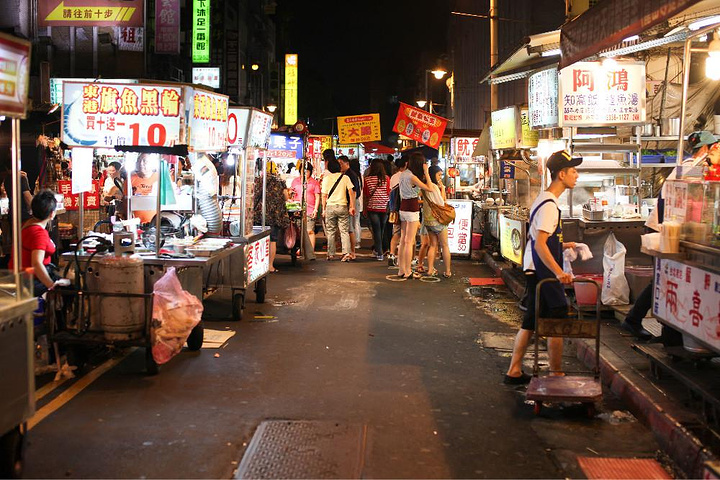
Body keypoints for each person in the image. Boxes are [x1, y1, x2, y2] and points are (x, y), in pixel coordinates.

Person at [621, 130, 717, 341]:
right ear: (705, 149)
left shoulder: (689, 168)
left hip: (667, 229)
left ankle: (661, 329)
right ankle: (647, 325)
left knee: (664, 277)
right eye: (715, 147)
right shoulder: (692, 170)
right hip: (663, 230)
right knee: (664, 277)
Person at [505, 150, 581, 384]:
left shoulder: (546, 199)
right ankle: (555, 372)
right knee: (557, 317)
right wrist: (560, 273)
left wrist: (565, 244)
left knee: (531, 321)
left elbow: (543, 238)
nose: (577, 176)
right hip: (542, 271)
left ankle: (515, 370)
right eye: (574, 171)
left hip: (535, 267)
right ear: (561, 174)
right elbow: (540, 244)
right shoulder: (549, 205)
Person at [9, 190, 64, 296]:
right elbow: (37, 264)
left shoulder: (27, 224)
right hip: (31, 281)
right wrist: (52, 286)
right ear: (52, 214)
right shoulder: (38, 233)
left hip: (22, 277)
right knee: (70, 287)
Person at [396, 152, 434, 279]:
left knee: (403, 240)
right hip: (412, 208)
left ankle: (401, 270)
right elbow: (430, 188)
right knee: (409, 241)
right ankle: (407, 271)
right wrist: (427, 172)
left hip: (403, 207)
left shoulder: (403, 174)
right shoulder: (412, 177)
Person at [253, 161, 290, 273]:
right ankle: (270, 266)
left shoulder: (259, 180)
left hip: (260, 214)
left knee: (259, 239)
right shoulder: (280, 182)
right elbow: (286, 197)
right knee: (272, 240)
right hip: (275, 214)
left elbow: (255, 196)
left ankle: (258, 265)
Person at [321, 157, 355, 261]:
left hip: (330, 206)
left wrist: (323, 209)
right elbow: (351, 192)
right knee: (344, 231)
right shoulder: (345, 178)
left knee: (331, 231)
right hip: (342, 206)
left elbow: (324, 195)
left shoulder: (326, 179)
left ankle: (330, 254)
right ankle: (346, 253)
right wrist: (352, 206)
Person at [421, 165, 452, 278]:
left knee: (433, 245)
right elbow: (442, 203)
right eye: (438, 175)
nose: (440, 177)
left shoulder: (425, 186)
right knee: (445, 245)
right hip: (437, 221)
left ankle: (430, 270)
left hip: (428, 221)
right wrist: (443, 189)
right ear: (433, 174)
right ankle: (448, 271)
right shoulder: (433, 187)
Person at [363, 158, 391, 261]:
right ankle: (379, 251)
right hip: (384, 207)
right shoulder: (386, 178)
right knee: (382, 230)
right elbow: (389, 192)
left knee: (376, 230)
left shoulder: (367, 179)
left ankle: (379, 253)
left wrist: (365, 209)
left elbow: (366, 194)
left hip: (373, 207)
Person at [290, 161, 321, 251]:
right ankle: (300, 249)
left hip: (310, 209)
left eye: (307, 171)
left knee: (310, 231)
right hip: (296, 209)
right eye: (303, 171)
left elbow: (317, 196)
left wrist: (315, 209)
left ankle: (310, 251)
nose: (305, 173)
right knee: (298, 231)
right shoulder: (295, 181)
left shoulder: (314, 183)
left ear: (310, 172)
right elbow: (291, 194)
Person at [338, 155, 361, 260]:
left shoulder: (350, 175)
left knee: (350, 228)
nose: (340, 166)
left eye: (341, 164)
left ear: (347, 163)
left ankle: (352, 251)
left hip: (351, 203)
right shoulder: (347, 174)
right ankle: (350, 251)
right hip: (349, 203)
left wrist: (351, 206)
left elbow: (354, 192)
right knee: (348, 228)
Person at [387, 156, 407, 265]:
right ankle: (404, 257)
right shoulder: (408, 176)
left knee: (396, 233)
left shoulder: (393, 177)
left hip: (394, 208)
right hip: (405, 208)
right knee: (406, 235)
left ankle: (391, 254)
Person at [130, 153, 159, 224]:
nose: (141, 164)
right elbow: (125, 201)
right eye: (139, 161)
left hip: (156, 223)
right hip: (134, 223)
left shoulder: (159, 178)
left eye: (145, 161)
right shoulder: (130, 179)